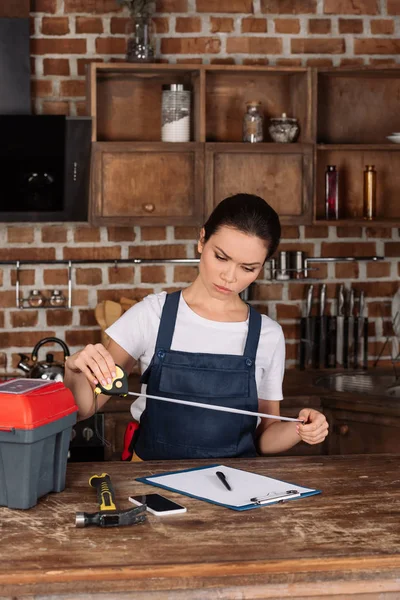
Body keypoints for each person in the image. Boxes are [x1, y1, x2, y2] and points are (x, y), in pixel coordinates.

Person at [64, 194, 328, 460]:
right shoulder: (152, 314)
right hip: (152, 483)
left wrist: (299, 430)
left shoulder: (268, 335)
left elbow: (263, 438)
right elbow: (85, 408)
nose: (230, 277)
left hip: (234, 486)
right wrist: (74, 371)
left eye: (248, 268)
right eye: (221, 257)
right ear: (202, 240)